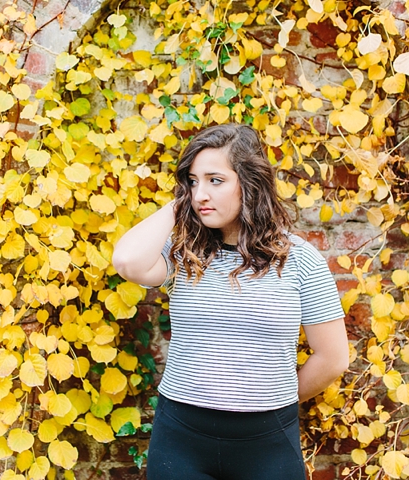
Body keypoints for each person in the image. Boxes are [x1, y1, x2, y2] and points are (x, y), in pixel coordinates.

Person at [111, 124, 349, 480]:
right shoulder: (183, 254)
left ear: (249, 183)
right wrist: (180, 206)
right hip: (181, 440)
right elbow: (127, 261)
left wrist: (267, 401)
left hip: (268, 444)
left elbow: (333, 358)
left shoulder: (300, 259)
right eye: (192, 181)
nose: (200, 194)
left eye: (215, 180)